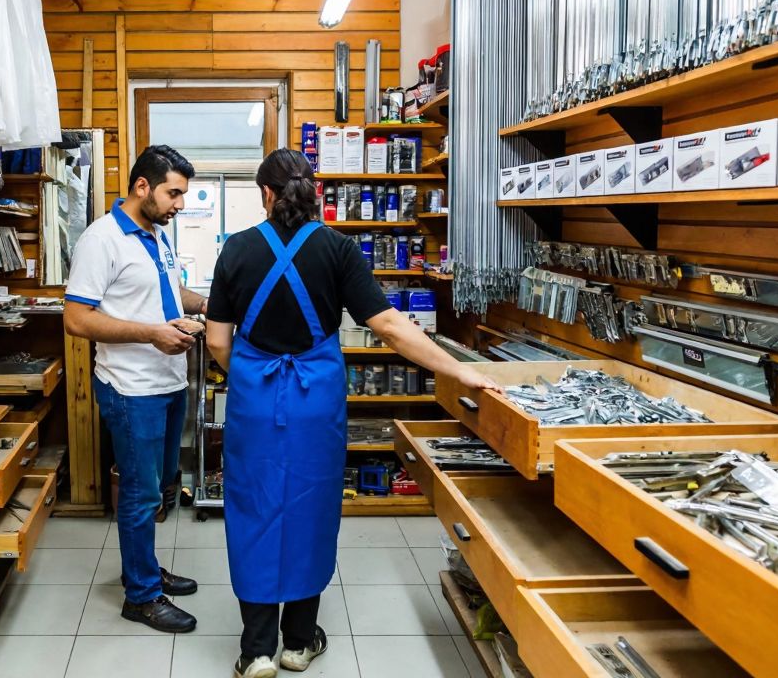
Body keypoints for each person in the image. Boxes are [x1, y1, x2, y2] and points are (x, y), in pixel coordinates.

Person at [205, 148, 501, 678]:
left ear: (266, 195)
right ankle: (298, 643)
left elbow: (218, 342)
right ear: (312, 192)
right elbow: (389, 326)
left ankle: (256, 651)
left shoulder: (236, 249)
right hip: (316, 402)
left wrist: (253, 373)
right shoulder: (340, 249)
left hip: (254, 402)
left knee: (253, 508)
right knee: (312, 508)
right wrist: (458, 370)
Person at [63, 145, 210, 634]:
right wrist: (151, 333)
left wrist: (209, 303)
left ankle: (142, 567)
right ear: (142, 187)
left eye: (183, 195)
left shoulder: (155, 235)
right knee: (141, 494)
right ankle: (142, 596)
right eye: (173, 193)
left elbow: (167, 292)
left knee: (163, 485)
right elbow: (77, 319)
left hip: (169, 381)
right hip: (131, 388)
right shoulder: (101, 240)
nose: (179, 204)